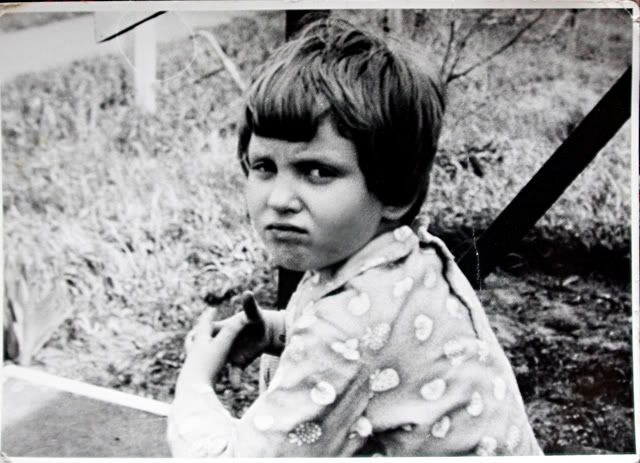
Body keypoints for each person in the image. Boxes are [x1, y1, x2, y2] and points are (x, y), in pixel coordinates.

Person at [167, 17, 543, 457]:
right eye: (264, 166)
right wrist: (277, 331)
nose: (280, 199)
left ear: (396, 193)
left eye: (316, 171)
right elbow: (379, 343)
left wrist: (194, 382)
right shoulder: (409, 260)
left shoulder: (342, 333)